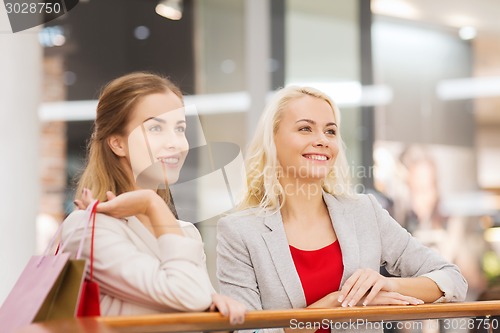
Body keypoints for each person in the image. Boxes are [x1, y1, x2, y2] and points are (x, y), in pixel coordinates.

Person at [216, 86, 467, 332]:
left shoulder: (365, 212)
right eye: (305, 128)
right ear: (273, 140)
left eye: (330, 131)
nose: (322, 140)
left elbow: (453, 279)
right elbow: (246, 330)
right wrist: (334, 304)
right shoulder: (239, 232)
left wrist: (387, 286)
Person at [61, 72, 246, 323]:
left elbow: (212, 318)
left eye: (180, 129)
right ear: (117, 143)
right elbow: (190, 297)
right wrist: (152, 203)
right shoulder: (88, 227)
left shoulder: (185, 231)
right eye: (156, 128)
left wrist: (214, 309)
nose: (176, 143)